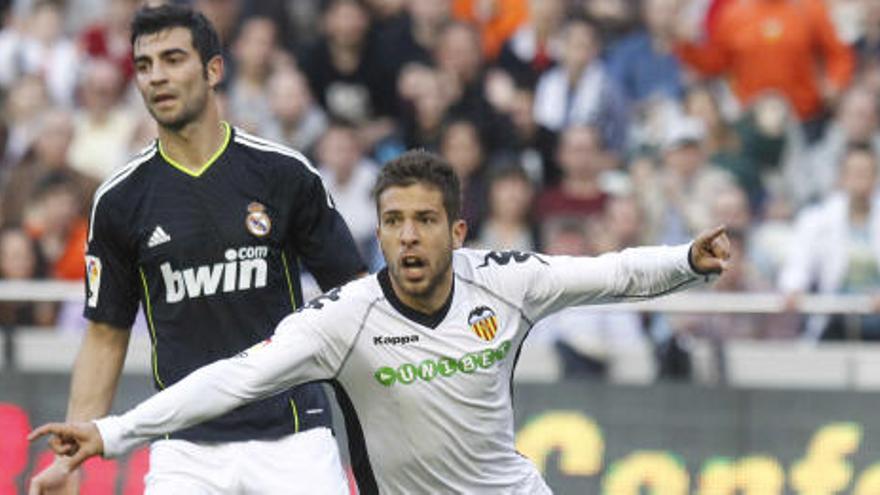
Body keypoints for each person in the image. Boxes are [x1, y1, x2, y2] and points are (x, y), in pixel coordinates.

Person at [30, 150, 730, 494]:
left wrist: (687, 259)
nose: (409, 237)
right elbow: (232, 379)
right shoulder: (343, 319)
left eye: (425, 221)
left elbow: (611, 273)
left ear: (455, 230)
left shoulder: (506, 281)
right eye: (393, 221)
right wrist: (110, 432)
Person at [28, 5, 365, 495]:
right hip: (184, 447)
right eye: (144, 66)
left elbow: (356, 300)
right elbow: (105, 335)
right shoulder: (120, 200)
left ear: (213, 69)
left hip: (294, 436)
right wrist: (70, 463)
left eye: (172, 59)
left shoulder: (283, 174)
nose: (156, 77)